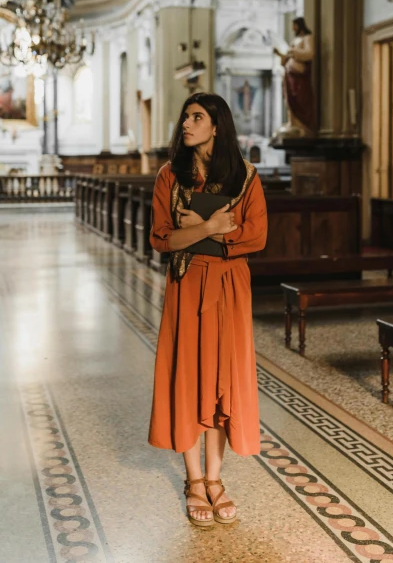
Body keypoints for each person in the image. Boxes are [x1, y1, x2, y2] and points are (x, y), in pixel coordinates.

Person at [148, 92, 268, 528]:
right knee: (187, 374)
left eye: (196, 117)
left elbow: (255, 236)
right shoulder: (169, 176)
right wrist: (215, 227)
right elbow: (161, 238)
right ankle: (194, 480)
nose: (186, 123)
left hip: (230, 285)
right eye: (185, 116)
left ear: (217, 125)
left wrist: (199, 228)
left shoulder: (245, 176)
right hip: (188, 282)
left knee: (221, 379)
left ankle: (216, 480)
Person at [272, 16, 316, 138]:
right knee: (289, 99)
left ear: (299, 25)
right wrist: (280, 54)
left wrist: (293, 52)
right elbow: (287, 58)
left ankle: (302, 125)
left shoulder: (307, 38)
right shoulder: (295, 40)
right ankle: (293, 122)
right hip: (290, 74)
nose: (293, 29)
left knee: (300, 99)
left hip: (300, 75)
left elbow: (310, 54)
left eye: (294, 26)